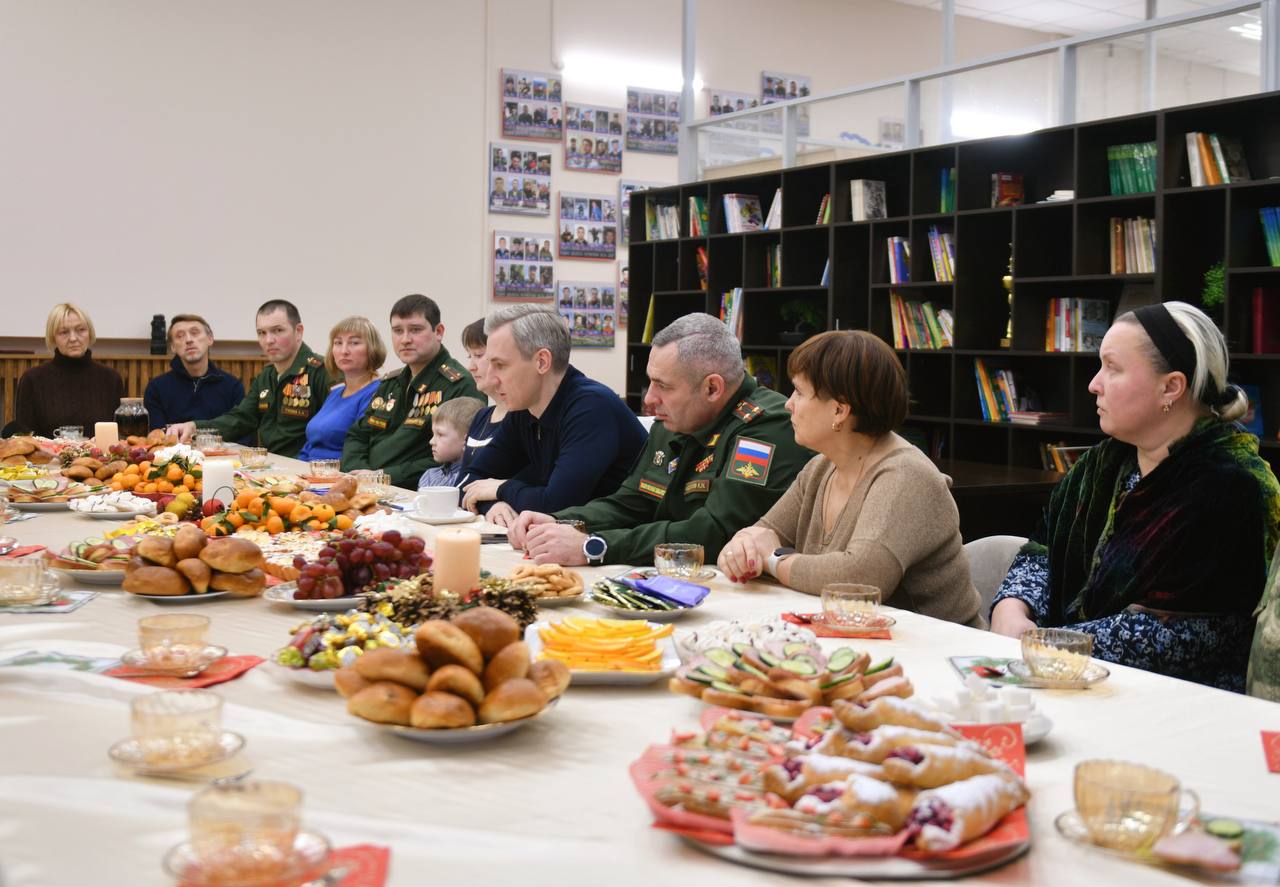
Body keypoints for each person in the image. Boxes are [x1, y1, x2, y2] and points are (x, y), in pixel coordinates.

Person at [989, 301, 1280, 693]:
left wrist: (1046, 644)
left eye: (1113, 368)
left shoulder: (1232, 486)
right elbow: (1041, 551)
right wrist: (1012, 607)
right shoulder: (1099, 466)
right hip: (1063, 677)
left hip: (1174, 702)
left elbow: (1182, 635)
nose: (1094, 384)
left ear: (1171, 387)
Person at [718, 331, 982, 627]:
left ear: (840, 410)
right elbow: (759, 535)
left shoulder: (907, 476)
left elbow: (861, 579)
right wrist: (742, 549)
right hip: (854, 639)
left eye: (799, 393)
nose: (787, 404)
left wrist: (773, 559)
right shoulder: (821, 467)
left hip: (940, 648)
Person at [508, 313, 810, 566]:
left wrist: (596, 546)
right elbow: (632, 503)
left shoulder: (765, 428)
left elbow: (715, 532)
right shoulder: (676, 419)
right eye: (649, 382)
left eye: (662, 385)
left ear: (712, 389)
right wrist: (559, 522)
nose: (649, 399)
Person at [460, 305, 647, 527]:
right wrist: (493, 505)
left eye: (500, 365)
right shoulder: (523, 407)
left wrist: (501, 489)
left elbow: (557, 505)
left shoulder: (591, 407)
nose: (490, 377)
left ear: (542, 362)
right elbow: (467, 482)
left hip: (618, 540)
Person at [342, 294, 480, 489]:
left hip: (414, 491)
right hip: (367, 485)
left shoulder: (460, 384)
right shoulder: (391, 382)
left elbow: (457, 456)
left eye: (415, 330)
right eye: (398, 331)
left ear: (438, 332)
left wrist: (381, 476)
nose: (405, 339)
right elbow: (358, 435)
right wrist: (358, 471)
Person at [168, 300, 329, 458]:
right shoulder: (266, 376)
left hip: (307, 466)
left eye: (278, 330)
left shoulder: (321, 371)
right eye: (262, 333)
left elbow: (335, 432)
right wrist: (194, 427)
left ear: (298, 331)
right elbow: (241, 419)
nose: (269, 340)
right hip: (271, 465)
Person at [14, 303, 124, 437]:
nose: (73, 338)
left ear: (90, 333)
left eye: (81, 330)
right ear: (53, 337)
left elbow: (120, 437)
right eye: (64, 332)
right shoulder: (32, 380)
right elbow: (25, 437)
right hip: (46, 451)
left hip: (100, 451)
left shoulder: (111, 379)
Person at [297, 317, 385, 462]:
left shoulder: (378, 392)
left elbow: (360, 450)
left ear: (372, 348)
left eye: (354, 343)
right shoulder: (336, 392)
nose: (344, 351)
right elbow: (312, 443)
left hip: (340, 471)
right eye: (338, 343)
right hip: (309, 469)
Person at [144, 314, 246, 430]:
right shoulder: (157, 388)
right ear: (173, 347)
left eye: (195, 333)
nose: (188, 340)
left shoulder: (232, 386)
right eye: (180, 336)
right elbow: (157, 435)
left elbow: (241, 431)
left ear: (210, 339)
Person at [418, 396, 486, 488]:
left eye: (440, 434)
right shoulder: (429, 477)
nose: (431, 441)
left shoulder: (475, 482)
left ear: (467, 439)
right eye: (433, 434)